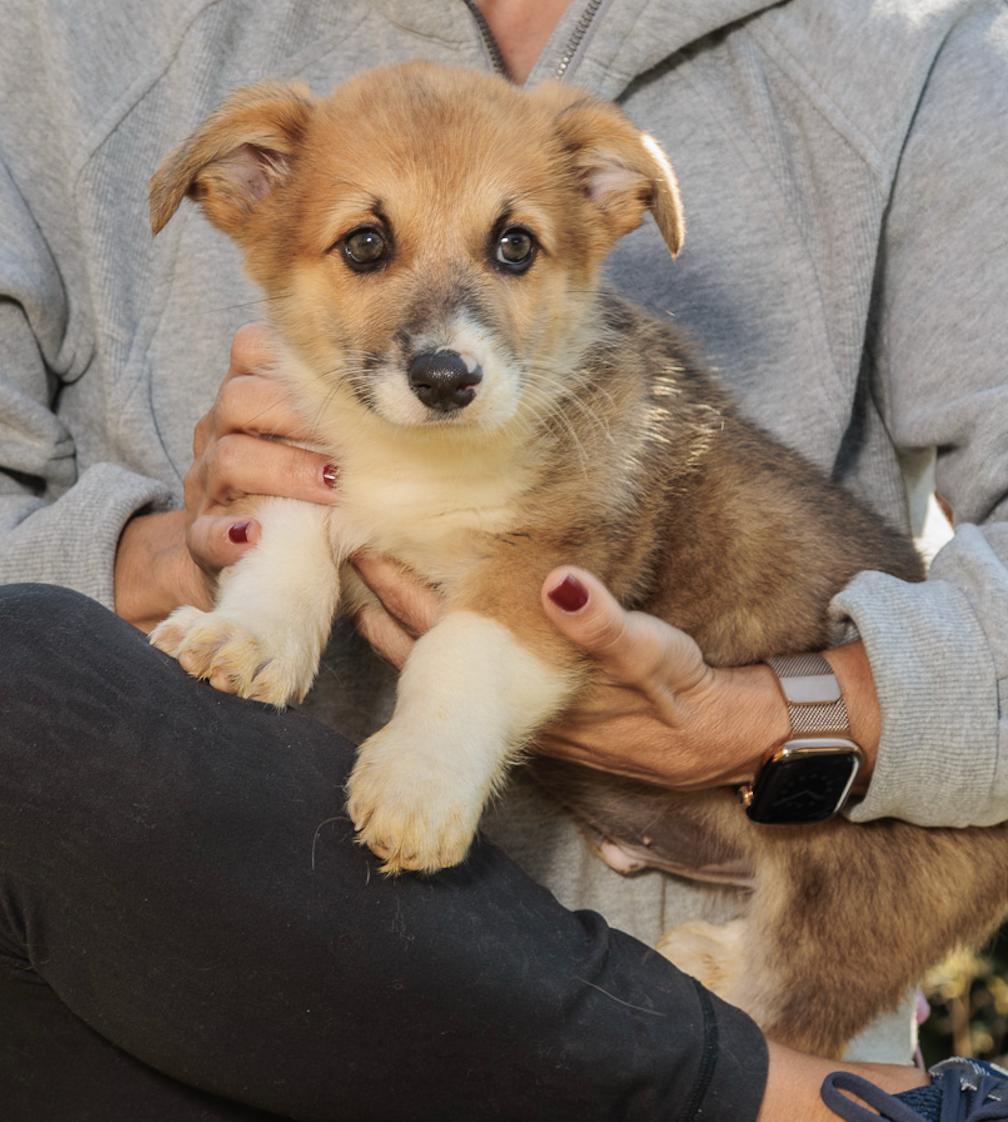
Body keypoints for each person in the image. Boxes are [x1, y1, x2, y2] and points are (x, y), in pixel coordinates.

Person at [1, 0, 1006, 1118]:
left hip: (758, 1009)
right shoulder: (67, 34)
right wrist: (167, 561)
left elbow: (543, 559)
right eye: (369, 247)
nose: (449, 343)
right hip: (177, 996)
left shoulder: (917, 44)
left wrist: (785, 719)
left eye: (511, 246)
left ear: (611, 202)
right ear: (245, 183)